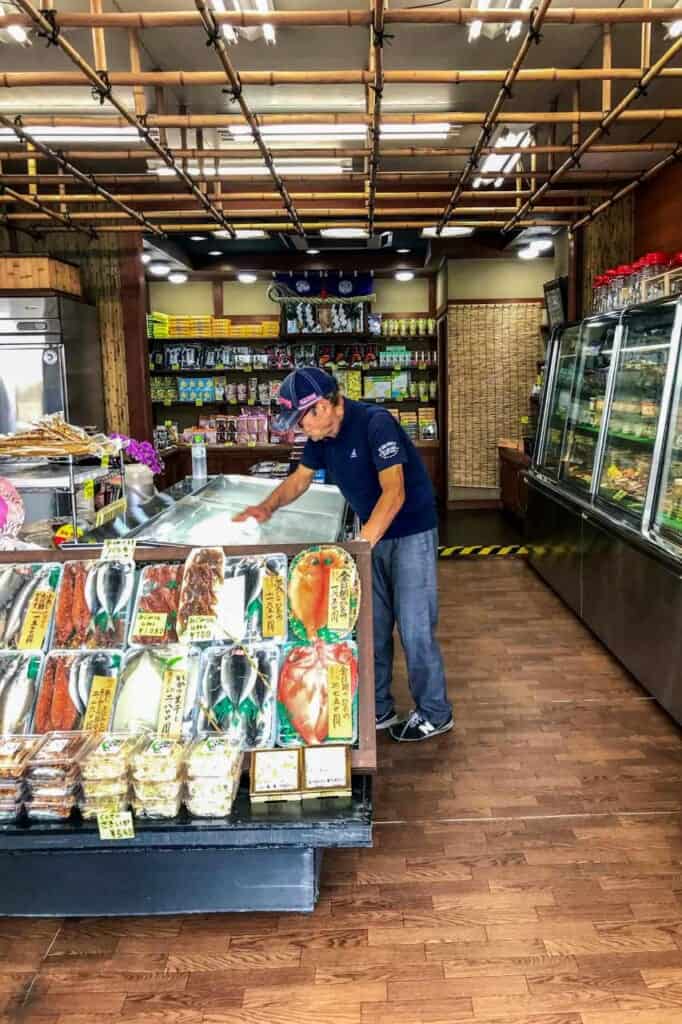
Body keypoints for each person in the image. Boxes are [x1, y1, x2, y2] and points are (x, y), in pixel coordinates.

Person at [234, 366, 452, 742]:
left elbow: (394, 493)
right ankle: (377, 706)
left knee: (415, 628)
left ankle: (435, 712)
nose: (299, 429)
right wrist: (266, 507)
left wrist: (358, 547)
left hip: (410, 533)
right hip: (374, 535)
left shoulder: (374, 424)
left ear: (323, 406)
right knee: (374, 625)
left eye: (301, 420)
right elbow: (301, 479)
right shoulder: (322, 436)